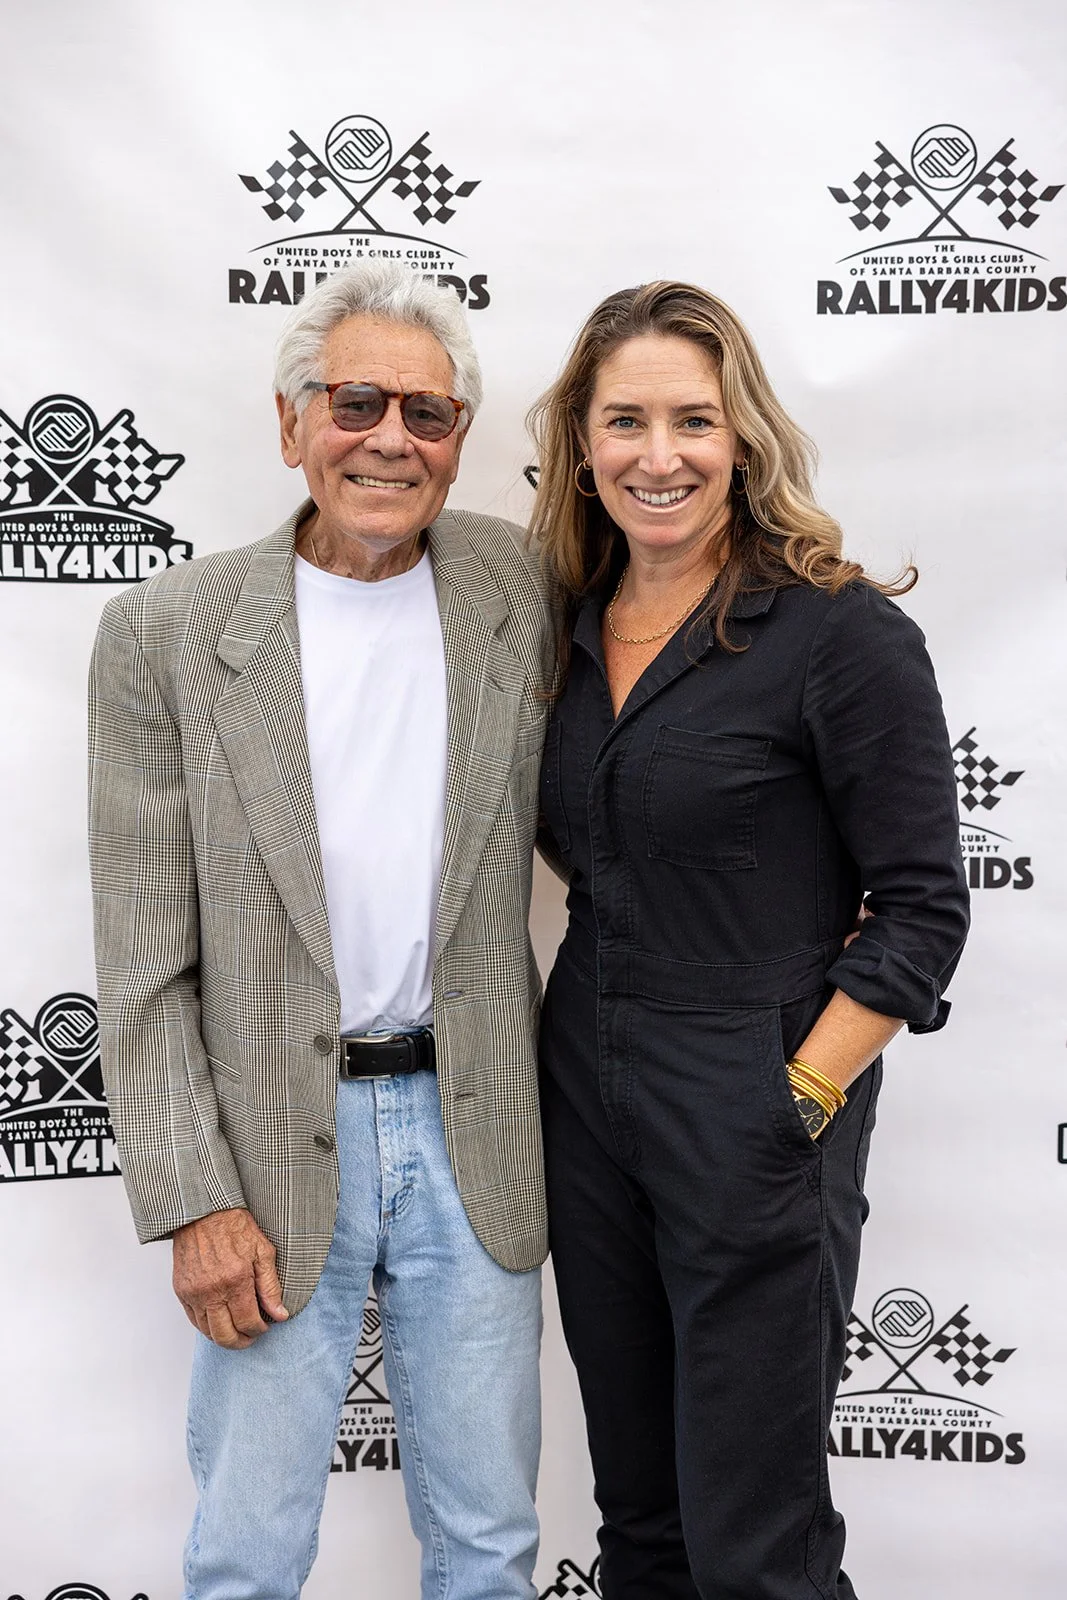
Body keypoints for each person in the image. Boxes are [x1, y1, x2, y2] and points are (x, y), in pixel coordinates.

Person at [88, 261, 553, 1600]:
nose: (391, 439)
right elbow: (141, 961)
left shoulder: (513, 591)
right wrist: (194, 1197)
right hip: (266, 1146)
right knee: (246, 1550)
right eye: (357, 403)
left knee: (490, 1545)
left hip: (472, 1132)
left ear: (460, 440)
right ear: (291, 422)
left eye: (429, 413)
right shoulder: (165, 631)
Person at [528, 280, 969, 1600]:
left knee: (755, 1544)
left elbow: (923, 909)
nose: (656, 456)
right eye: (623, 421)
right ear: (580, 442)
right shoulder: (556, 628)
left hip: (756, 1091)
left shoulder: (838, 635)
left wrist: (799, 1098)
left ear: (744, 439)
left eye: (691, 420)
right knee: (642, 1526)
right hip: (585, 1081)